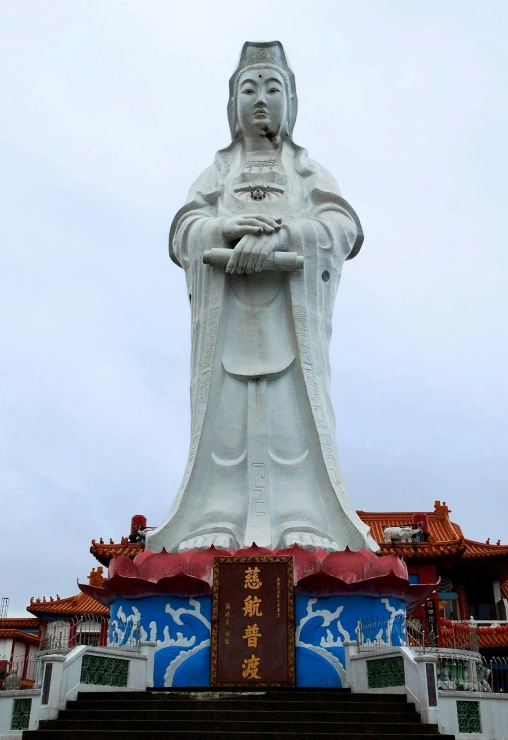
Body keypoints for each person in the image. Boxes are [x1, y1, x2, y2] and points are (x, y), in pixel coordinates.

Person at [146, 42, 377, 554]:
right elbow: (185, 229)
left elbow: (342, 227)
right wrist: (223, 230)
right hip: (228, 319)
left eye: (273, 89)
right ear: (232, 105)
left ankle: (302, 513)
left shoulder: (305, 172)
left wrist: (284, 236)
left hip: (289, 320)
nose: (260, 100)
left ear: (290, 102)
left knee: (290, 414)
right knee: (224, 418)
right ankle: (216, 514)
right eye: (248, 89)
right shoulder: (218, 174)